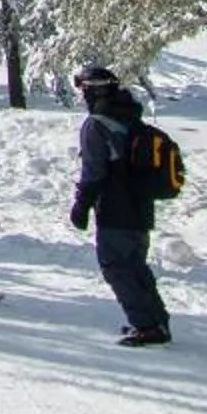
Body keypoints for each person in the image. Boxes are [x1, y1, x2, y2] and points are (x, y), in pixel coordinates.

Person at [71, 65, 171, 345]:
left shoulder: (97, 125)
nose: (82, 95)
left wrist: (81, 206)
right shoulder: (130, 117)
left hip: (115, 208)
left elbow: (94, 172)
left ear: (94, 91)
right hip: (141, 207)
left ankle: (147, 326)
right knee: (136, 266)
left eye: (83, 89)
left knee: (116, 266)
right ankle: (156, 322)